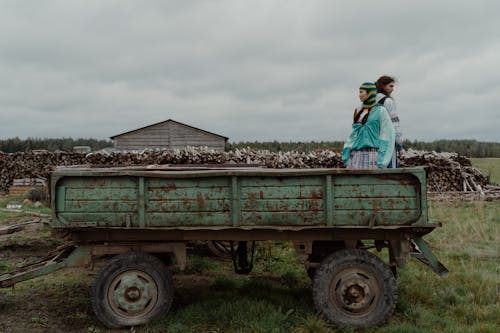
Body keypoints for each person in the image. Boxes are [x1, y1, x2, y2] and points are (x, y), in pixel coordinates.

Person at [342, 82, 395, 169]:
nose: (359, 95)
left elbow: (386, 134)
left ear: (370, 93)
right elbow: (353, 134)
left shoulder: (381, 110)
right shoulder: (358, 110)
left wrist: (382, 159)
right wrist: (346, 150)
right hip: (356, 155)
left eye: (361, 92)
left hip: (373, 155)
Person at [375, 75, 404, 168]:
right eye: (391, 86)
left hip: (374, 140)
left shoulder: (371, 101)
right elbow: (395, 123)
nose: (393, 89)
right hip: (388, 141)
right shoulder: (387, 101)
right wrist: (399, 145)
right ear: (383, 86)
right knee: (391, 170)